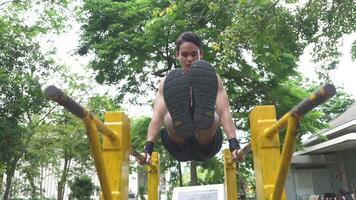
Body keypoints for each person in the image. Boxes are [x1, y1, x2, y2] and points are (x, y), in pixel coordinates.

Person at [139, 31, 244, 164]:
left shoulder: (213, 79)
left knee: (213, 118)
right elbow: (157, 116)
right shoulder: (167, 83)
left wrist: (234, 144)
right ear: (177, 55)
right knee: (168, 118)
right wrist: (148, 148)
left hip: (207, 144)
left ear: (201, 54)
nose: (189, 59)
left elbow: (224, 112)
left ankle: (200, 122)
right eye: (184, 54)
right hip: (177, 144)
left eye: (194, 54)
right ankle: (183, 123)